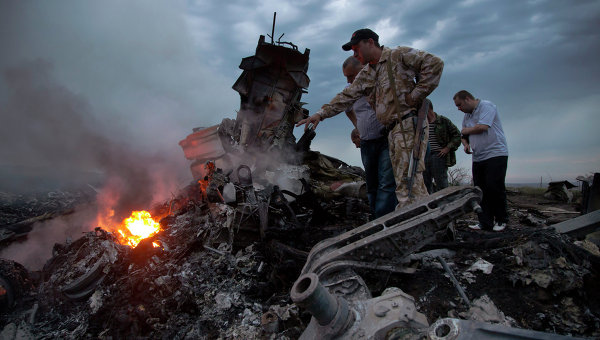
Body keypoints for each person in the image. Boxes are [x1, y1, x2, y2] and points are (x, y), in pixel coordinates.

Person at [296, 28, 444, 208]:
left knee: (409, 182)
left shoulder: (398, 55)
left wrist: (414, 96)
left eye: (356, 48)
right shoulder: (368, 73)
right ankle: (419, 221)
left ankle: (413, 224)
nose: (355, 53)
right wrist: (320, 114)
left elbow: (435, 64)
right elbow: (347, 95)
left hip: (407, 124)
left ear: (370, 43)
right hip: (392, 131)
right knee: (405, 183)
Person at [343, 56, 397, 219]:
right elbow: (346, 109)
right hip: (366, 142)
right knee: (372, 183)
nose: (349, 80)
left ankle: (385, 219)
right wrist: (357, 126)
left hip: (385, 140)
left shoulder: (378, 83)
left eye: (351, 76)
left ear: (362, 69)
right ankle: (375, 217)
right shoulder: (350, 90)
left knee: (386, 181)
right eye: (346, 77)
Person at [454, 90, 509, 232]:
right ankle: (485, 222)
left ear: (467, 99)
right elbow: (463, 134)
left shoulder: (486, 106)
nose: (458, 109)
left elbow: (482, 127)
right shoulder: (467, 115)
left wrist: (467, 130)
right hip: (478, 157)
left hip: (495, 154)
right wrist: (465, 144)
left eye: (459, 105)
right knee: (480, 190)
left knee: (494, 187)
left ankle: (502, 220)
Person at [423, 102, 462, 193]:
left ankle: (446, 202)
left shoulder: (443, 121)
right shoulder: (421, 123)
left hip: (438, 155)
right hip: (424, 156)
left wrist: (447, 148)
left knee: (441, 183)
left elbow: (457, 135)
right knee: (425, 184)